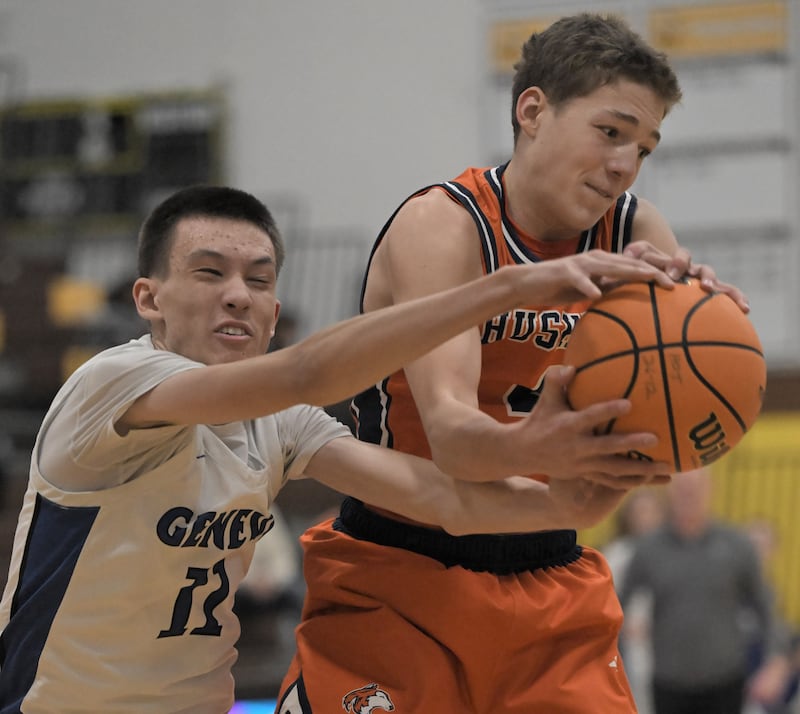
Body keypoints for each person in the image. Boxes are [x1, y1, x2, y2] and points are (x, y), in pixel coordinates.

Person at [0, 185, 673, 713]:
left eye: (259, 281)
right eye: (210, 273)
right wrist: (505, 287)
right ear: (149, 298)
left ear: (275, 307)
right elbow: (309, 373)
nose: (237, 295)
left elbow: (444, 498)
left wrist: (573, 491)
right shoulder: (112, 383)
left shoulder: (281, 423)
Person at [278, 12, 749, 714]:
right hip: (398, 572)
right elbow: (457, 443)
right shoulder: (446, 224)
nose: (625, 163)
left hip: (549, 571)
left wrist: (709, 334)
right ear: (532, 111)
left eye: (645, 148)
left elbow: (663, 427)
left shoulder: (636, 231)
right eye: (610, 131)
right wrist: (543, 445)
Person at [618, 468, 777, 714]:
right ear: (670, 492)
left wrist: (774, 663)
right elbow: (617, 606)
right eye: (682, 488)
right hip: (668, 682)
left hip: (726, 680)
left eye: (695, 488)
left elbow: (766, 607)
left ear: (710, 489)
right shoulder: (649, 549)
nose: (689, 495)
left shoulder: (736, 546)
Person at [604, 489, 667, 714]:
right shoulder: (617, 552)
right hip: (629, 639)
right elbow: (608, 597)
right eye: (640, 511)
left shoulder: (671, 552)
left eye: (651, 511)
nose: (646, 518)